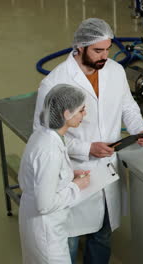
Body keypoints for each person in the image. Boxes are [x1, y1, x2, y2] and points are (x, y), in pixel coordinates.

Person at [33, 18, 143, 264]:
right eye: (97, 50)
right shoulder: (54, 83)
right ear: (79, 47)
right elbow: (42, 135)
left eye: (107, 49)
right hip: (73, 170)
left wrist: (139, 130)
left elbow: (127, 105)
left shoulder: (114, 70)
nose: (104, 56)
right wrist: (86, 148)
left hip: (108, 168)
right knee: (68, 237)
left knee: (103, 233)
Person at [19, 84, 91, 264]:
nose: (84, 114)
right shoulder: (50, 150)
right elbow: (44, 204)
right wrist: (76, 186)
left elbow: (39, 175)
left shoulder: (43, 134)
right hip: (46, 230)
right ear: (67, 114)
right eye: (81, 110)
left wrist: (68, 175)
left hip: (36, 223)